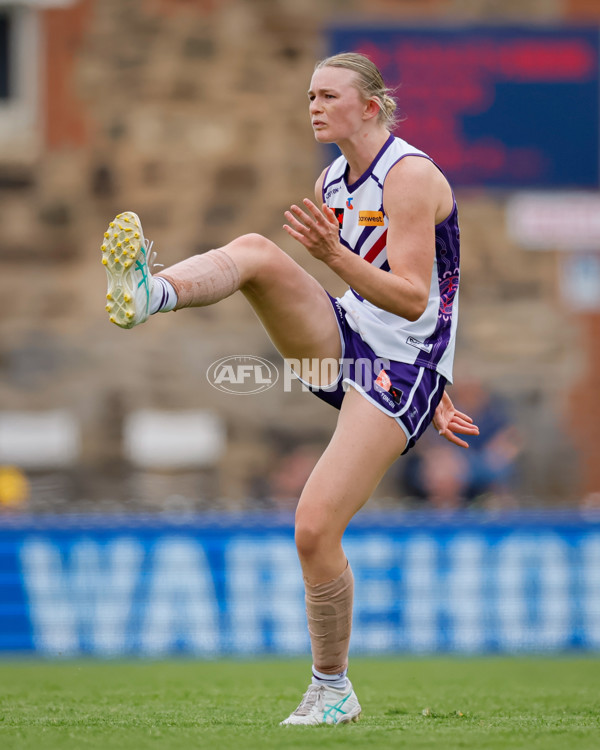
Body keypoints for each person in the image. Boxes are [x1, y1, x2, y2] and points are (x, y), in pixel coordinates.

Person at [101, 52, 479, 726]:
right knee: (255, 251)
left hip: (401, 369)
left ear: (370, 106)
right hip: (353, 342)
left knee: (313, 529)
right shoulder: (333, 179)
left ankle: (332, 689)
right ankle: (147, 291)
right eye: (309, 95)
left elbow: (416, 299)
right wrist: (335, 269)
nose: (313, 105)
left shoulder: (411, 176)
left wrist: (337, 260)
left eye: (328, 95)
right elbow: (372, 297)